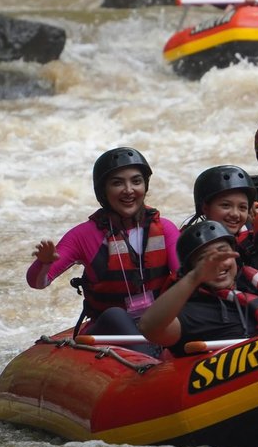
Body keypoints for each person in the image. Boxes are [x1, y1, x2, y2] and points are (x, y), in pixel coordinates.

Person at [27, 147, 180, 351]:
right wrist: (44, 263)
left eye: (136, 181)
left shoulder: (165, 229)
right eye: (117, 183)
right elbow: (38, 282)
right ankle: (154, 362)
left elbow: (185, 276)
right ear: (103, 191)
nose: (128, 190)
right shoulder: (83, 236)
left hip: (156, 326)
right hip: (106, 333)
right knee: (116, 315)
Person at [138, 220, 258, 356]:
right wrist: (196, 276)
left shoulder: (254, 286)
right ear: (191, 269)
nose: (218, 264)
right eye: (205, 260)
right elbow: (149, 328)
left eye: (223, 253)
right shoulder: (192, 314)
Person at [182, 165, 257, 238]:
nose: (235, 214)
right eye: (226, 205)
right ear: (205, 208)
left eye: (242, 207)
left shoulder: (254, 241)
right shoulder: (186, 243)